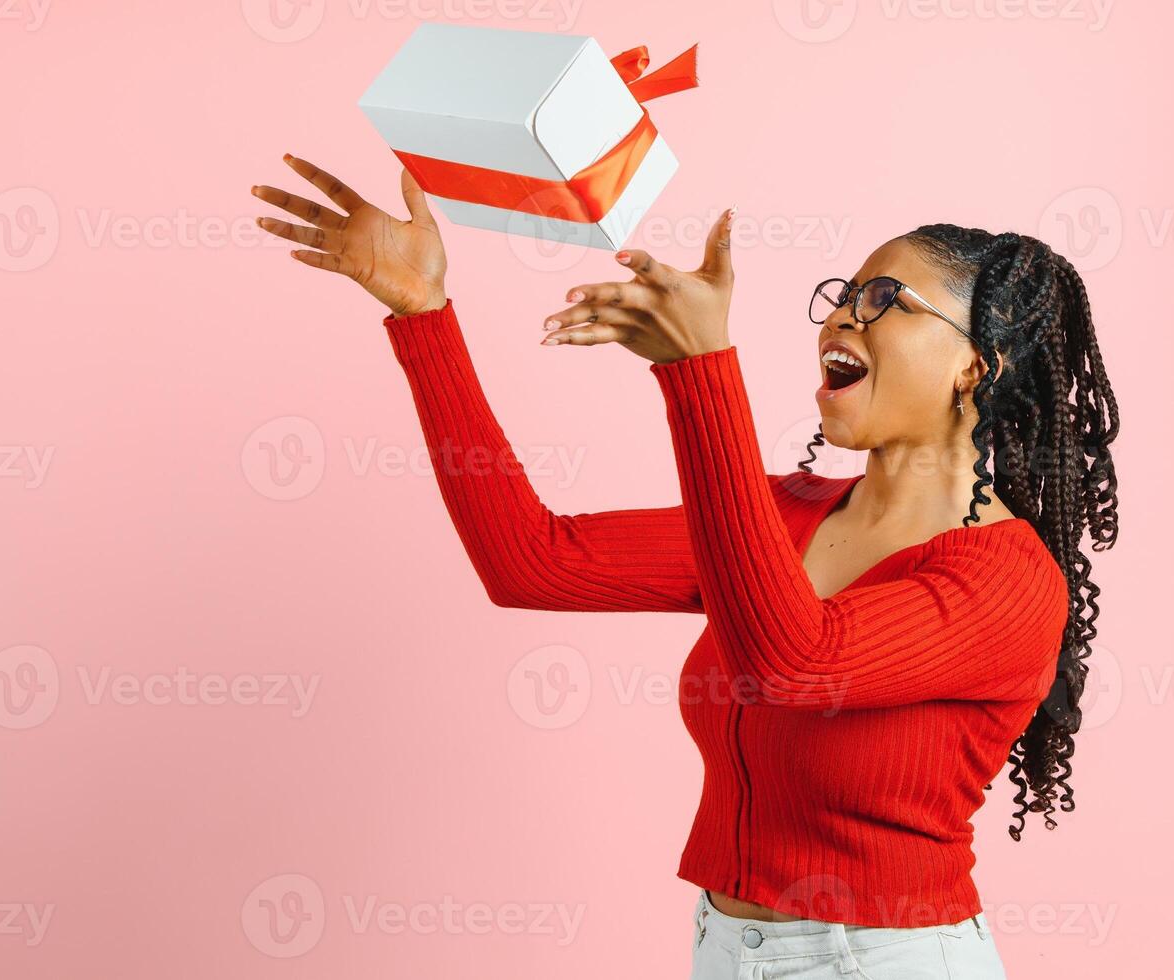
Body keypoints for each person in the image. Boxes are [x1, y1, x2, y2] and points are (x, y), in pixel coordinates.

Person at [250, 155, 1120, 979]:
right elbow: (533, 562)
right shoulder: (784, 513)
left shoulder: (1005, 582)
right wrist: (422, 313)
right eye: (843, 296)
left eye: (886, 300)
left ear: (977, 362)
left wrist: (699, 373)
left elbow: (794, 661)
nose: (842, 317)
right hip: (724, 948)